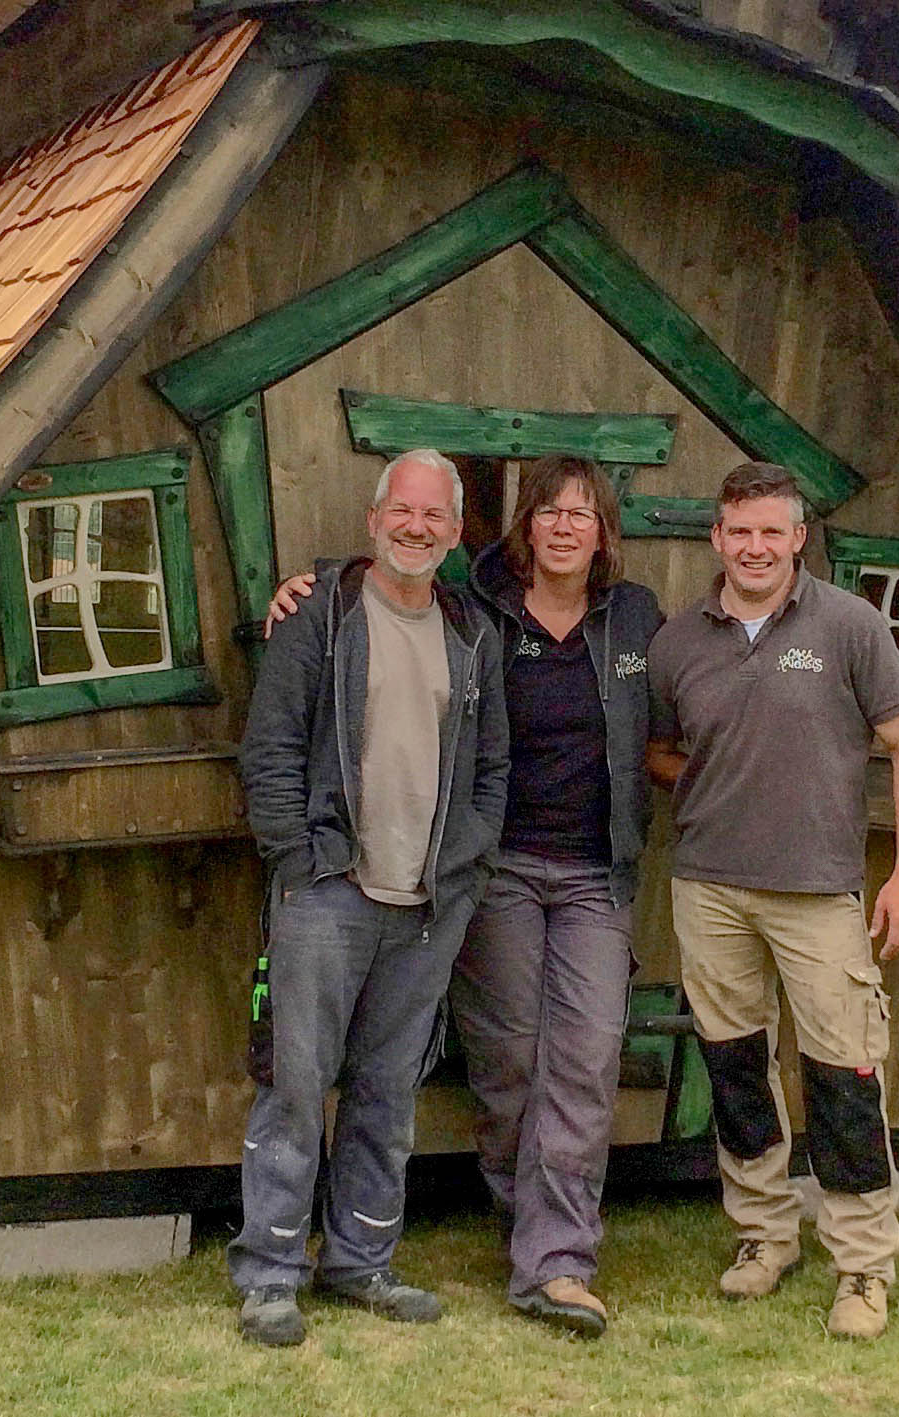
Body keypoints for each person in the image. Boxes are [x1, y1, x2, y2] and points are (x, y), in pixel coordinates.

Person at [267, 455, 662, 1337]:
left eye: (583, 513)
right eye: (550, 510)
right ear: (525, 525)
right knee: (509, 1059)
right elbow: (390, 582)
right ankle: (528, 1230)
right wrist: (310, 584)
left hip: (593, 872)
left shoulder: (634, 617)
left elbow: (687, 700)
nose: (565, 526)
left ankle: (557, 1261)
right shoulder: (482, 608)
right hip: (498, 871)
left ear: (604, 531)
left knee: (587, 1057)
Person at [646, 460, 899, 1344]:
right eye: (740, 530)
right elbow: (660, 750)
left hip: (817, 891)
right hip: (710, 887)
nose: (755, 546)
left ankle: (862, 1264)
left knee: (844, 1074)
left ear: (798, 538)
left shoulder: (850, 626)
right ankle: (764, 1234)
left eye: (772, 530)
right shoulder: (678, 642)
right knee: (736, 1066)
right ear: (717, 537)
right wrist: (723, 781)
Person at [229, 448, 509, 1350]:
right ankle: (270, 1275)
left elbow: (493, 768)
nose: (416, 527)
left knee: (389, 1094)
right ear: (373, 518)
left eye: (434, 516)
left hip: (427, 904)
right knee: (294, 1087)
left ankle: (360, 1261)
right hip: (327, 892)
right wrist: (299, 860)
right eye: (403, 510)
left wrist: (465, 866)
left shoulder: (472, 632)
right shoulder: (320, 613)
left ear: (455, 532)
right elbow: (271, 748)